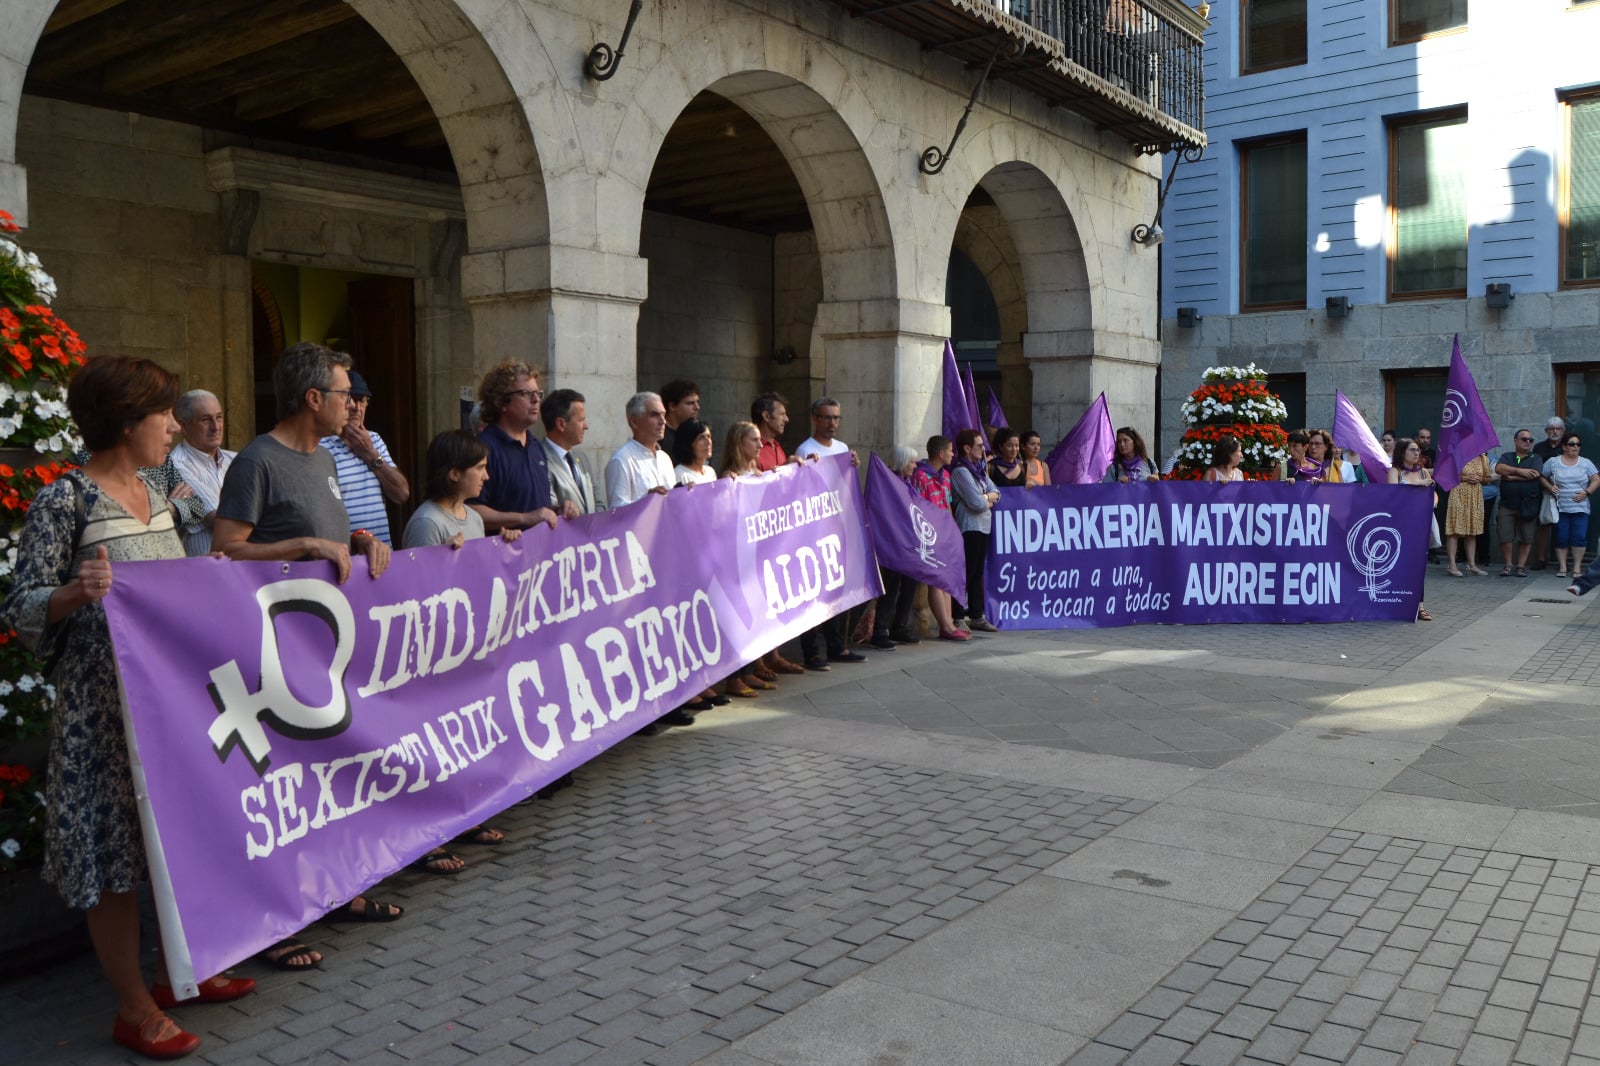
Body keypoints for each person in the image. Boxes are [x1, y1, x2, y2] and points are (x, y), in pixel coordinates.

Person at [0, 357, 253, 1060]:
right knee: (112, 855)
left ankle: (185, 969)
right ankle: (133, 1004)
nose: (174, 426)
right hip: (99, 714)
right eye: (163, 415)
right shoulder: (65, 502)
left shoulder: (160, 490)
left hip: (167, 707)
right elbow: (20, 608)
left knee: (175, 841)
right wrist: (76, 593)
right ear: (124, 422)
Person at [214, 342, 397, 943]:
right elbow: (227, 549)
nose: (353, 406)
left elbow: (327, 532)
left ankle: (338, 887)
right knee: (282, 786)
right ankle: (278, 917)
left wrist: (361, 537)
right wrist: (300, 549)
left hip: (323, 651)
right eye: (345, 395)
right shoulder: (256, 462)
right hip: (272, 655)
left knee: (329, 773)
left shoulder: (327, 459)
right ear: (313, 398)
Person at [400, 430, 522, 874]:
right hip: (434, 656)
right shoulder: (427, 523)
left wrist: (499, 546)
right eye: (479, 468)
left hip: (465, 649)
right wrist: (442, 562)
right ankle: (427, 836)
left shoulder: (470, 517)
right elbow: (412, 589)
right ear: (454, 474)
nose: (487, 476)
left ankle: (460, 816)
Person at [795, 397, 867, 669]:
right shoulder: (805, 449)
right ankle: (811, 650)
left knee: (834, 589)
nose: (832, 423)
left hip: (835, 527)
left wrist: (852, 467)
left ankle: (837, 645)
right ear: (815, 418)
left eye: (836, 418)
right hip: (812, 530)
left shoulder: (841, 448)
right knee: (811, 592)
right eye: (827, 417)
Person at [467, 360, 558, 534]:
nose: (536, 400)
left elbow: (535, 504)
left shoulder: (536, 446)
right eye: (526, 393)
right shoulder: (483, 448)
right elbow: (470, 512)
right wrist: (524, 518)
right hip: (503, 556)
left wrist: (558, 510)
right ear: (502, 402)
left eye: (538, 393)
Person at [321, 370, 410, 545]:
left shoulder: (374, 440)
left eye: (362, 400)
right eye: (350, 399)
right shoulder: (322, 446)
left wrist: (370, 454)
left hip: (381, 556)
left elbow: (401, 494)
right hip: (345, 558)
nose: (356, 407)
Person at [913, 435, 970, 641]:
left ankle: (951, 623)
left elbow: (947, 505)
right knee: (936, 580)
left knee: (946, 579)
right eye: (950, 450)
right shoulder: (920, 475)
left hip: (945, 533)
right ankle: (945, 625)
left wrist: (952, 530)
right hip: (928, 534)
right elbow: (917, 506)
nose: (953, 454)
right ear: (940, 453)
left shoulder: (945, 475)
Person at [168, 388, 235, 556]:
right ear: (183, 426)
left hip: (243, 570)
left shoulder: (237, 459)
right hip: (206, 572)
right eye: (206, 420)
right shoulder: (176, 465)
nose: (216, 427)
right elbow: (221, 523)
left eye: (219, 417)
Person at [870, 445, 925, 648]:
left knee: (909, 586)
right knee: (891, 587)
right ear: (902, 462)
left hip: (910, 544)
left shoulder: (908, 483)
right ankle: (880, 631)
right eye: (911, 462)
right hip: (895, 545)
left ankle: (900, 627)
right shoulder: (890, 483)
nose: (915, 465)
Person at [949, 428, 1001, 633]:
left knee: (977, 571)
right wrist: (987, 499)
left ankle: (977, 614)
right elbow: (975, 503)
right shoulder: (961, 471)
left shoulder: (979, 469)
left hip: (983, 527)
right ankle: (958, 614)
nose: (983, 449)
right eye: (979, 446)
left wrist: (986, 498)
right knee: (967, 571)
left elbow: (996, 491)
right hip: (969, 527)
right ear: (967, 448)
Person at [1540, 433, 1600, 579]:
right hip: (1560, 507)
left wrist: (1587, 492)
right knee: (1561, 537)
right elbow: (1541, 476)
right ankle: (1562, 566)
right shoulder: (1553, 462)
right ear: (1564, 446)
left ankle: (1577, 567)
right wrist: (1549, 487)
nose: (1575, 447)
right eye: (1572, 444)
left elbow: (1596, 479)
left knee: (1579, 537)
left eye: (1578, 444)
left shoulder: (1585, 463)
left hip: (1580, 507)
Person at [605, 391, 677, 509]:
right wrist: (646, 499)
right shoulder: (621, 459)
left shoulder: (665, 458)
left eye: (663, 415)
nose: (663, 421)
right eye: (654, 415)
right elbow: (616, 511)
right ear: (634, 421)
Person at [1389, 438, 1434, 621]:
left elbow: (1433, 496)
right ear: (1402, 452)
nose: (1417, 453)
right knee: (1398, 564)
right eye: (1412, 450)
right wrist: (1417, 486)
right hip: (1399, 524)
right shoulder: (1395, 471)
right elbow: (1391, 493)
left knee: (1418, 564)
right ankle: (1397, 602)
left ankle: (1420, 606)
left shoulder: (1423, 472)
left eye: (1418, 450)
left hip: (1419, 524)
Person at [541, 388, 600, 516]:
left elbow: (598, 503)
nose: (586, 426)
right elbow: (551, 510)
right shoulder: (540, 461)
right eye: (581, 420)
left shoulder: (581, 457)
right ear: (561, 424)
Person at [1496, 429, 1542, 577]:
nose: (1528, 442)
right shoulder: (1507, 456)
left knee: (1527, 536)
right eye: (1524, 439)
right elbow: (1499, 469)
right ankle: (1508, 565)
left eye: (1530, 440)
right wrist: (1520, 471)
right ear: (1515, 441)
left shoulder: (1536, 457)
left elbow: (1535, 475)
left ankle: (1521, 566)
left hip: (1528, 504)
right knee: (1505, 535)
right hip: (1507, 503)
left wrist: (1512, 476)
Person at [1443, 451, 1491, 576]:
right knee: (1454, 529)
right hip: (1458, 492)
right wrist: (1465, 478)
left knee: (1472, 530)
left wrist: (1480, 479)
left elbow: (1488, 479)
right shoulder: (1457, 455)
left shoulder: (1483, 458)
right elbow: (1447, 475)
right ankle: (1452, 565)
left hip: (1475, 495)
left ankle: (1472, 565)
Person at [1530, 417, 1566, 570]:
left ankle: (1561, 561)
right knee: (1543, 524)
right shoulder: (1538, 447)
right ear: (1546, 431)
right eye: (1551, 428)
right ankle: (1541, 558)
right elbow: (1535, 467)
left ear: (1563, 431)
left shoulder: (1567, 445)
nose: (1555, 431)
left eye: (1558, 428)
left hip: (1563, 492)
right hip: (1542, 490)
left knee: (1562, 526)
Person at [752, 391, 795, 471]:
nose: (786, 419)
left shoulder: (778, 447)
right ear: (766, 416)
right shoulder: (751, 450)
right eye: (781, 414)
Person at [670, 417, 716, 486]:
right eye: (701, 438)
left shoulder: (710, 472)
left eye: (709, 436)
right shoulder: (679, 474)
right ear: (688, 444)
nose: (708, 442)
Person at [659, 378, 700, 457]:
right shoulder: (660, 436)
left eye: (697, 402)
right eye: (690, 403)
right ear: (672, 406)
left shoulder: (696, 433)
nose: (697, 407)